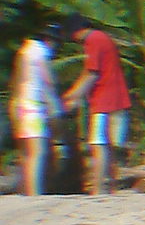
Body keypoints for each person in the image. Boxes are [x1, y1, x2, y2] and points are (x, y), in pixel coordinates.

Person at [58, 14, 130, 196]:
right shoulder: (104, 38)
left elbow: (92, 73)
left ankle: (97, 188)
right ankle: (112, 186)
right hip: (117, 97)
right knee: (111, 145)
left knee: (98, 144)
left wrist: (72, 95)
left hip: (104, 99)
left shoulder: (93, 40)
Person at [9, 26, 59, 196]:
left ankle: (23, 190)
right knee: (38, 152)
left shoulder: (25, 51)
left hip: (20, 104)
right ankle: (34, 193)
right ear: (49, 40)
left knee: (25, 153)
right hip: (34, 105)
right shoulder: (41, 52)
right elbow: (48, 81)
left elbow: (17, 81)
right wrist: (54, 106)